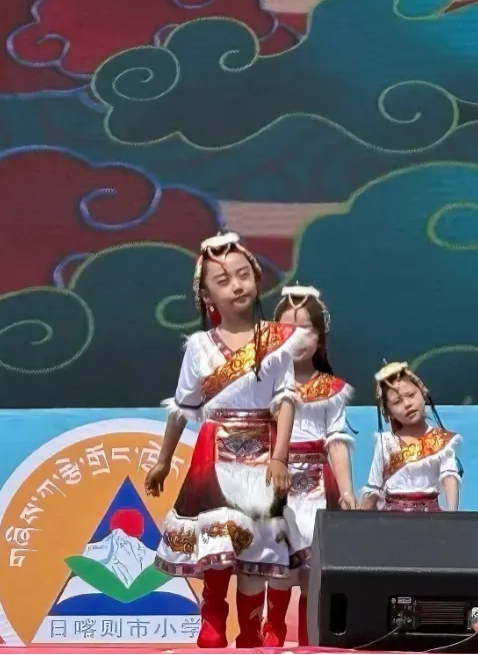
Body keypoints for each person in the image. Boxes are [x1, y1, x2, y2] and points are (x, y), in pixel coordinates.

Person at [144, 232, 312, 649]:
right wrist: (163, 461)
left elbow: (285, 401)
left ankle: (250, 629)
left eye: (243, 275)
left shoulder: (278, 341)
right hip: (214, 451)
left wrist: (279, 457)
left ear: (256, 278)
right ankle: (213, 615)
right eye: (223, 280)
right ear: (207, 296)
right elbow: (183, 408)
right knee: (219, 536)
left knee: (257, 545)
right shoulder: (199, 346)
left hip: (261, 452)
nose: (237, 286)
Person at [261, 285, 355, 646]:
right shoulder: (262, 383)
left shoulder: (332, 389)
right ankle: (270, 638)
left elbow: (337, 440)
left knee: (313, 574)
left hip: (317, 489)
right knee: (277, 568)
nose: (298, 339)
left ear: (321, 337)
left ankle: (309, 644)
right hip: (274, 485)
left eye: (307, 330)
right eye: (289, 329)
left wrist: (346, 490)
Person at [361, 362, 461, 512]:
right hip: (392, 519)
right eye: (397, 402)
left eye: (411, 395)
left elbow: (449, 478)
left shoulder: (441, 440)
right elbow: (374, 488)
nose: (407, 404)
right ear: (389, 412)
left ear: (423, 393)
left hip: (430, 518)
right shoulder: (385, 442)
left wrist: (452, 517)